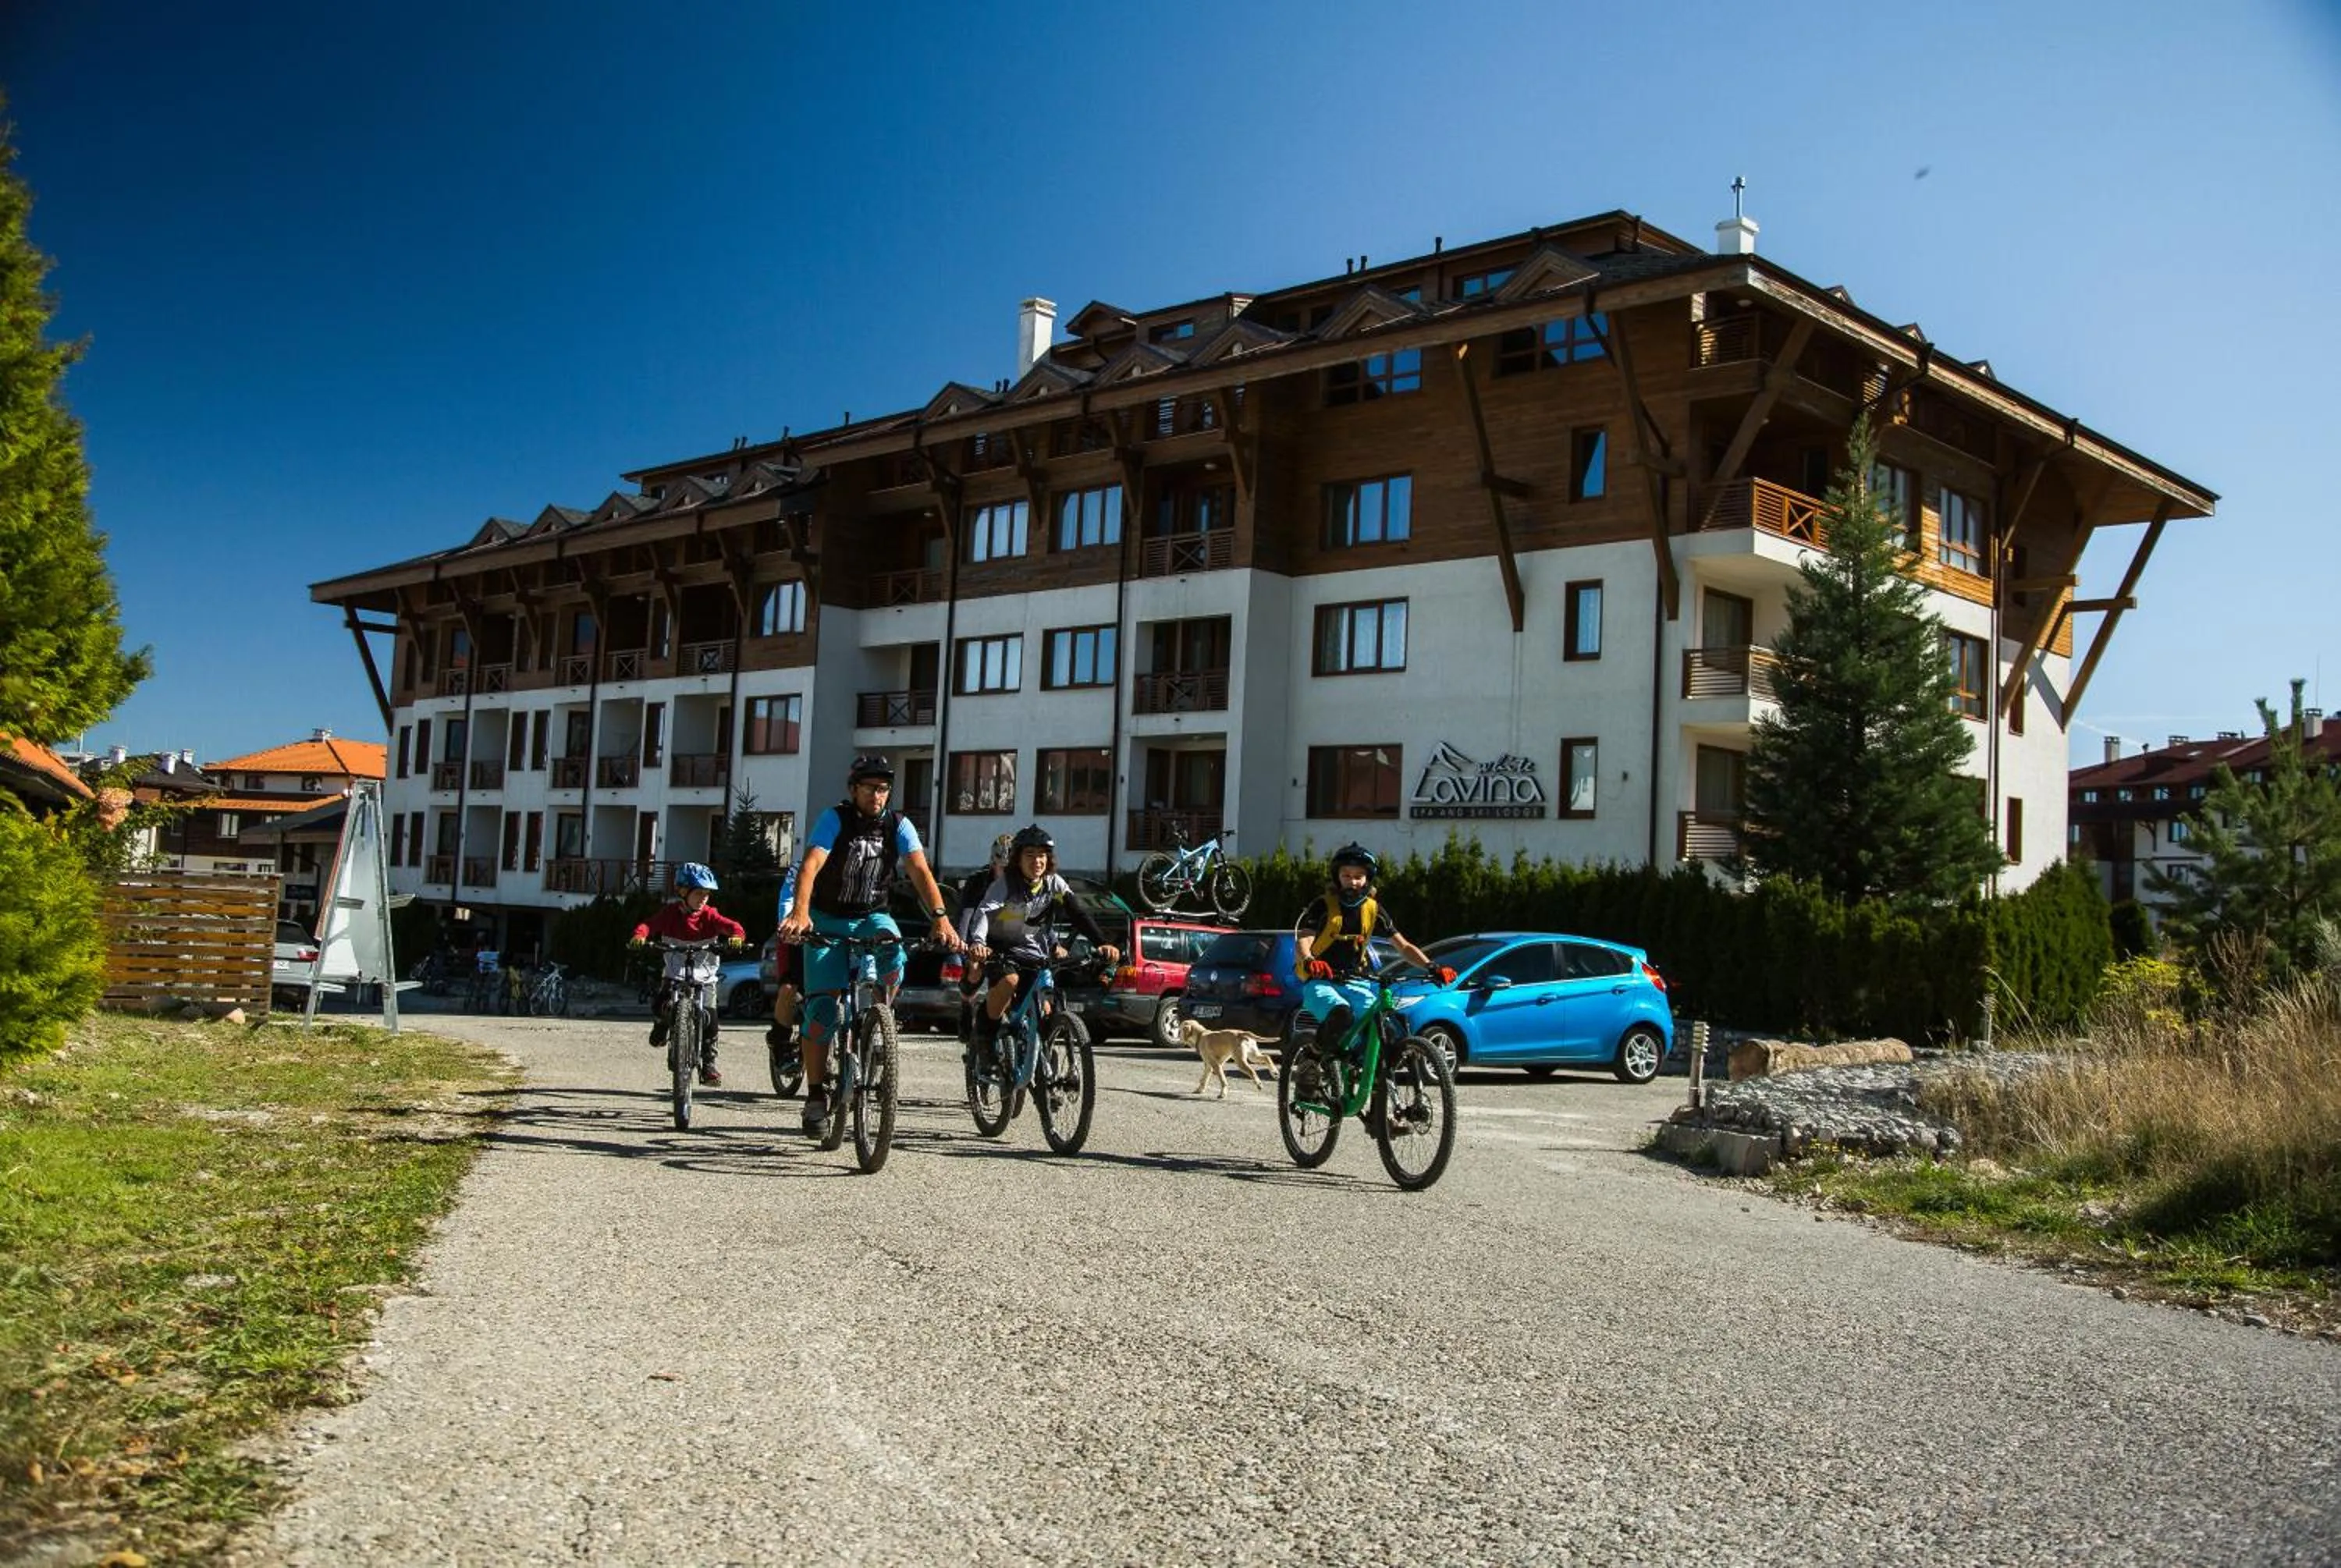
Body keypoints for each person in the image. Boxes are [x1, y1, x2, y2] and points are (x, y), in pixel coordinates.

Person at [776, 755, 963, 1138]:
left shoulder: (899, 825)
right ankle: (815, 1097)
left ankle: (881, 1015)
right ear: (854, 789)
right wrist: (800, 913)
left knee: (894, 947)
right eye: (869, 788)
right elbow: (811, 865)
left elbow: (919, 871)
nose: (877, 795)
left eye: (883, 789)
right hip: (827, 917)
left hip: (871, 914)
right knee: (821, 1011)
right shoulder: (835, 818)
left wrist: (940, 917)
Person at [1292, 844, 1448, 1087]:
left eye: (1358, 877)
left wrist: (1432, 966)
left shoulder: (1373, 909)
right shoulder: (1323, 905)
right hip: (1321, 981)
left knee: (1383, 1030)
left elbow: (1403, 947)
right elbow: (1305, 939)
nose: (1352, 882)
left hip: (1357, 982)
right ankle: (1311, 1059)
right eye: (1346, 876)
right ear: (1337, 877)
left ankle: (1381, 1104)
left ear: (1367, 879)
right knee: (1340, 1013)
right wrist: (1310, 960)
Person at [964, 825, 1121, 1061]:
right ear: (1017, 859)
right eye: (1030, 855)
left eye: (1042, 855)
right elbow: (984, 914)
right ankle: (984, 1041)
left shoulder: (1054, 883)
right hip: (1002, 953)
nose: (1037, 861)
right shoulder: (1006, 884)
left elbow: (1078, 913)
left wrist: (1102, 942)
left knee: (1046, 1009)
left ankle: (1044, 1069)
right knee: (1009, 981)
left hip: (1036, 956)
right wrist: (977, 941)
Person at [629, 862, 747, 1087]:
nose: (703, 898)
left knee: (711, 1018)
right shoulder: (671, 914)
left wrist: (736, 937)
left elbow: (733, 926)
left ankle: (709, 1064)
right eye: (699, 893)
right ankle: (663, 1024)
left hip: (705, 976)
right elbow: (649, 925)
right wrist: (640, 936)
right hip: (675, 972)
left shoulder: (710, 915)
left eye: (707, 894)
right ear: (683, 892)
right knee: (660, 1004)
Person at [954, 832, 1016, 1047]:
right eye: (1004, 869)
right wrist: (964, 944)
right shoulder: (978, 882)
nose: (1008, 874)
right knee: (975, 969)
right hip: (980, 935)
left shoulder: (1024, 883)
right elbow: (966, 915)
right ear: (993, 864)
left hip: (1009, 937)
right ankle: (966, 1005)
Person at [766, 856, 805, 1056]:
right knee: (789, 987)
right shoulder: (801, 865)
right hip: (796, 935)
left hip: (831, 936)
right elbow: (787, 897)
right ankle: (780, 1042)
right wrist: (788, 925)